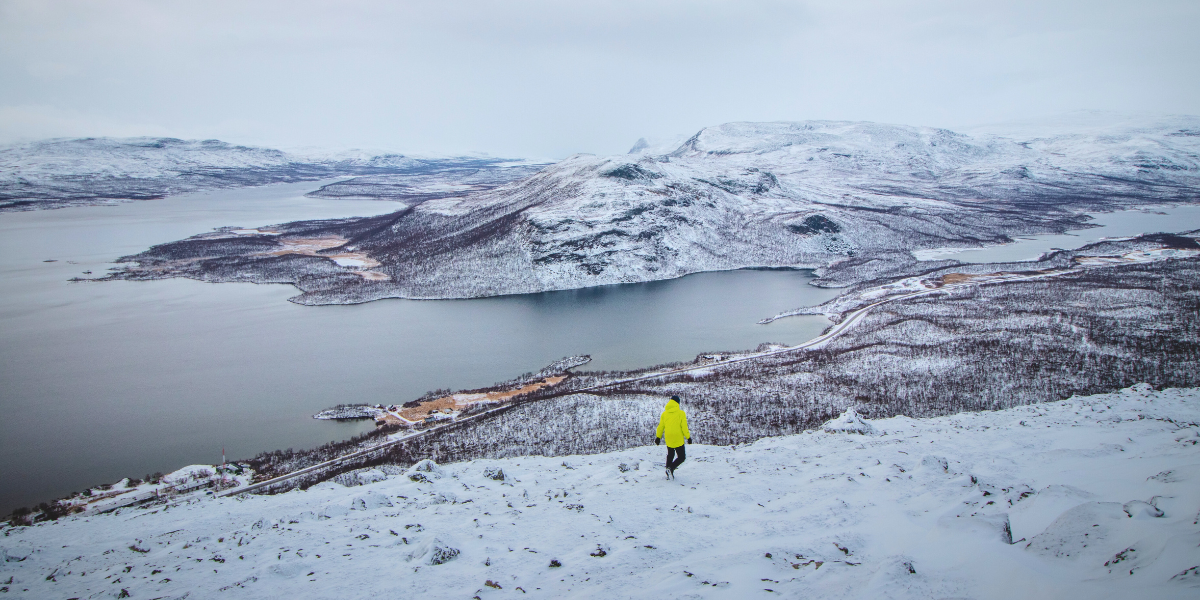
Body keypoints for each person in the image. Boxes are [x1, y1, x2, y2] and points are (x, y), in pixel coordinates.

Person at [654, 395, 691, 479]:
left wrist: (658, 437)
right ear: (677, 403)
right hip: (678, 437)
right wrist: (688, 437)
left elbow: (661, 427)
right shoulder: (681, 413)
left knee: (670, 455)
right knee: (681, 457)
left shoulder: (664, 414)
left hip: (669, 437)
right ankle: (671, 468)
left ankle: (668, 471)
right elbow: (684, 427)